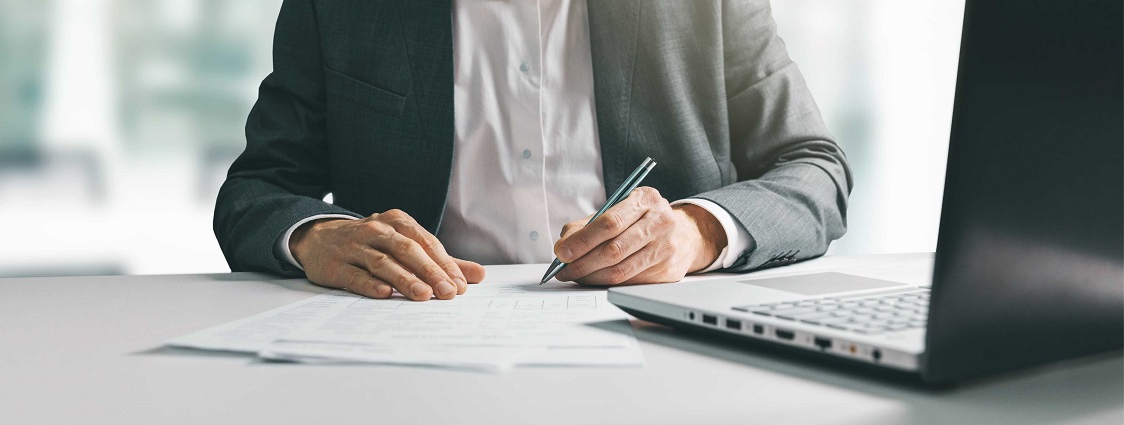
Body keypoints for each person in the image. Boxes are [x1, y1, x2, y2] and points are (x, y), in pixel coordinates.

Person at [214, 0, 850, 301]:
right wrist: (316, 236)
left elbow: (815, 170)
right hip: (408, 344)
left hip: (661, 341)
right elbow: (255, 189)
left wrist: (694, 234)